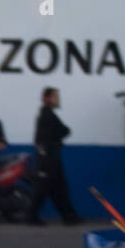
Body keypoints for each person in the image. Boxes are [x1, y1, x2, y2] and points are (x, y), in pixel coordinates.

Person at [30, 86, 81, 225]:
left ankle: (69, 216)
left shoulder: (47, 114)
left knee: (58, 189)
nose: (58, 100)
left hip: (50, 157)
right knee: (45, 189)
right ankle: (31, 215)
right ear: (47, 98)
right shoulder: (47, 115)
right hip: (48, 159)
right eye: (55, 97)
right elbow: (62, 131)